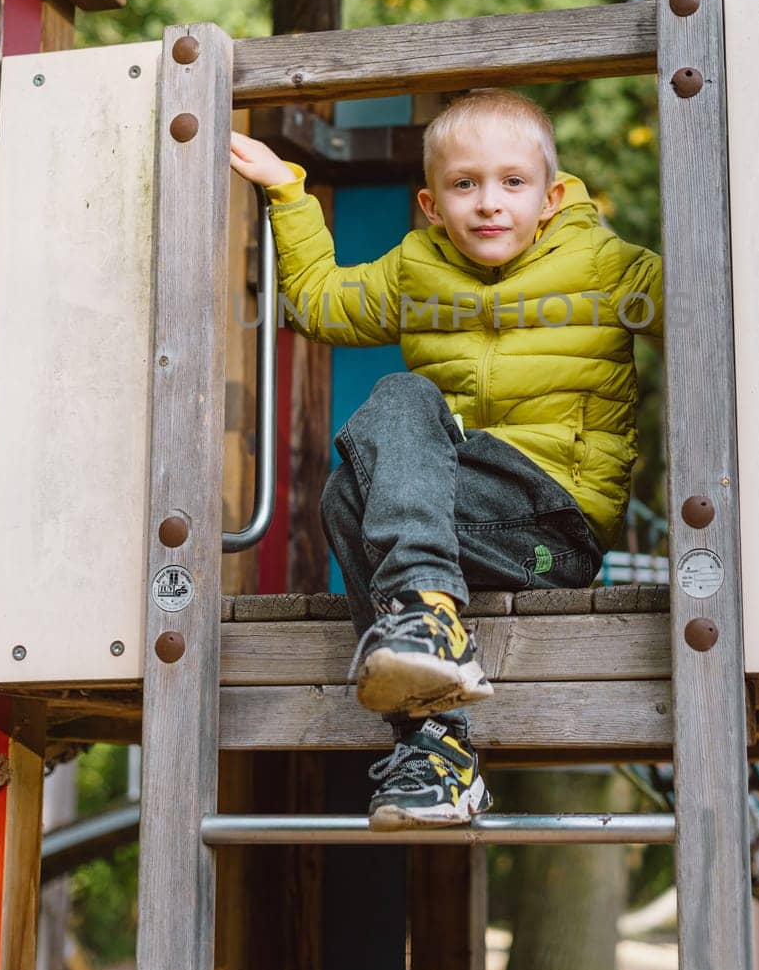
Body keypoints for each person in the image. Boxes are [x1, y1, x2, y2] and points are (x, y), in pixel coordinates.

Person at [229, 89, 662, 829]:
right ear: (432, 204)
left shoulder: (608, 267)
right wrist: (286, 191)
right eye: (465, 185)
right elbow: (320, 303)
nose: (489, 204)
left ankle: (427, 625)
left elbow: (715, 309)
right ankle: (439, 747)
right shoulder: (416, 269)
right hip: (461, 525)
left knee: (383, 432)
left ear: (552, 198)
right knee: (351, 485)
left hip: (553, 533)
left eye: (512, 184)